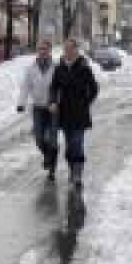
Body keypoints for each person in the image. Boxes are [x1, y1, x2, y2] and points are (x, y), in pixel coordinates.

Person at [48, 37, 98, 187]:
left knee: (77, 142)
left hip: (80, 113)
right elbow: (54, 87)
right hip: (64, 112)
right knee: (70, 145)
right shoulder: (59, 67)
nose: (68, 51)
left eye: (71, 49)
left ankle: (77, 174)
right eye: (66, 49)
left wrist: (86, 101)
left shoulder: (84, 67)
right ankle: (72, 169)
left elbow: (94, 87)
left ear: (76, 50)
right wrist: (53, 102)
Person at [16, 40, 59, 180]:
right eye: (40, 49)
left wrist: (58, 102)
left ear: (50, 51)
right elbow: (25, 87)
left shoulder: (56, 68)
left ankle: (52, 168)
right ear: (37, 51)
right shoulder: (31, 68)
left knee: (52, 139)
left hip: (53, 109)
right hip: (38, 108)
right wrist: (21, 103)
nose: (42, 52)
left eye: (45, 49)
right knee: (39, 138)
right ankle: (48, 155)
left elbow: (61, 87)